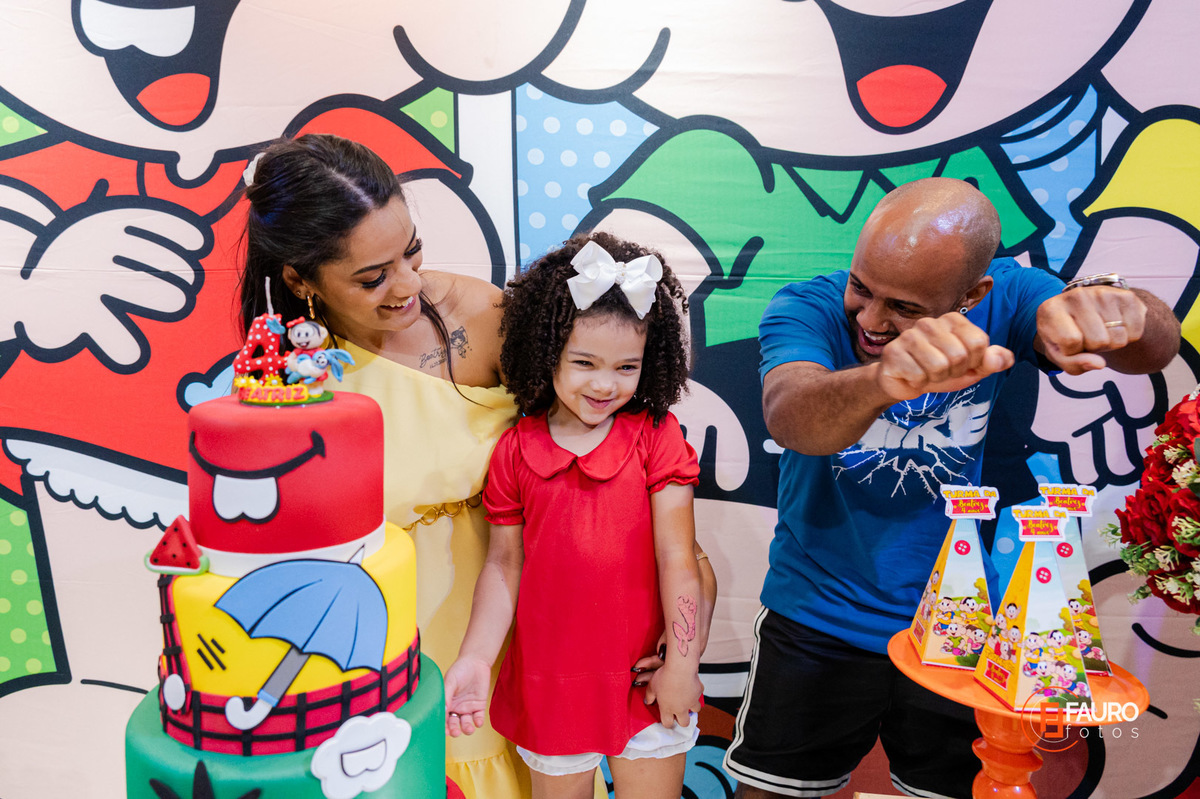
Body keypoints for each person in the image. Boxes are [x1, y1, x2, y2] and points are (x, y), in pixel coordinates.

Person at [724, 177, 1181, 799]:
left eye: (905, 307)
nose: (871, 320)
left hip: (960, 626)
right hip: (818, 613)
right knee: (774, 791)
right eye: (863, 287)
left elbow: (1153, 347)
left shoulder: (1012, 295)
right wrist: (886, 379)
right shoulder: (806, 306)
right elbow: (791, 415)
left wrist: (1111, 307)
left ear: (973, 295)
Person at [239, 133, 523, 798]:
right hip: (366, 646)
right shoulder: (283, 374)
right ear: (299, 279)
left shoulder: (485, 318)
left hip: (502, 622)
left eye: (411, 251)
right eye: (373, 277)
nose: (409, 284)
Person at [443, 232, 715, 799]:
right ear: (548, 353)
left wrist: (683, 665)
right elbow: (503, 565)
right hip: (551, 688)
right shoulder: (515, 450)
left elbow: (678, 558)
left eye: (626, 367)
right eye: (584, 362)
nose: (604, 384)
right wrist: (475, 658)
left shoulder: (656, 437)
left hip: (643, 681)